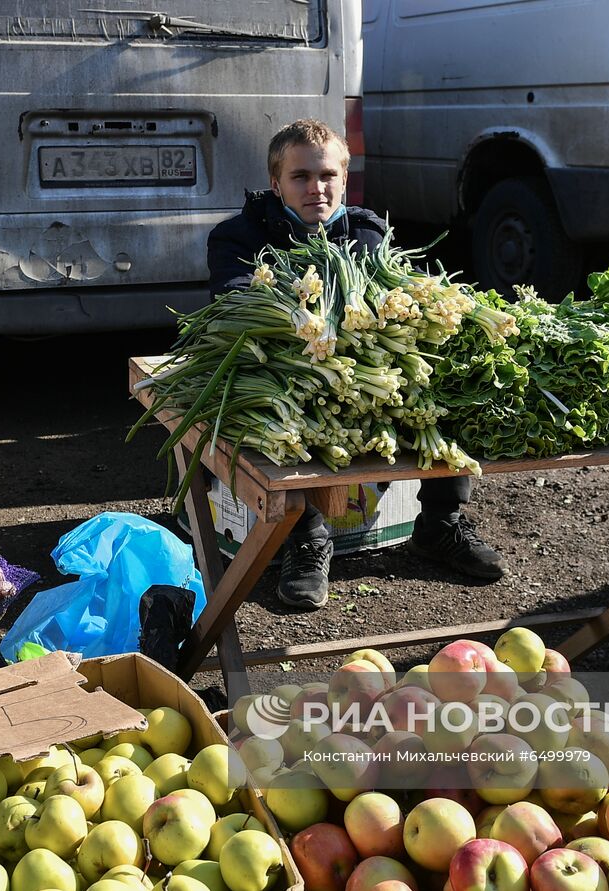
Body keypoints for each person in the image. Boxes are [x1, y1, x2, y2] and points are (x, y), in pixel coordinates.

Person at [206, 119, 506, 610]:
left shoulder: (366, 230)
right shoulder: (238, 236)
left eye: (327, 176)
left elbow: (391, 296)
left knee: (447, 380)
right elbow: (232, 301)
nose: (315, 188)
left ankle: (440, 526)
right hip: (284, 371)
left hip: (360, 370)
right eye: (300, 176)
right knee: (286, 406)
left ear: (344, 179)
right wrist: (307, 324)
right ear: (276, 181)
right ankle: (306, 538)